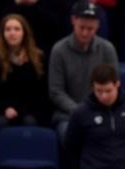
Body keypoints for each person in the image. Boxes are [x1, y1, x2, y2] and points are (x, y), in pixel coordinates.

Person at [49, 1, 118, 144]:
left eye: (90, 28)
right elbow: (56, 91)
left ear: (98, 25)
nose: (85, 32)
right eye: (81, 27)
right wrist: (80, 111)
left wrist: (98, 108)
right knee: (70, 134)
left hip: (102, 111)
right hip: (68, 115)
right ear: (73, 21)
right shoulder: (59, 50)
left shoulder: (107, 49)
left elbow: (114, 84)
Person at [0, 12, 49, 131]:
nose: (12, 33)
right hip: (1, 109)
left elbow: (41, 92)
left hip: (29, 109)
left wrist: (20, 110)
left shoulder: (38, 57)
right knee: (0, 123)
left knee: (30, 123)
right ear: (2, 33)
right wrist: (5, 108)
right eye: (8, 29)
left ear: (24, 32)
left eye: (17, 29)